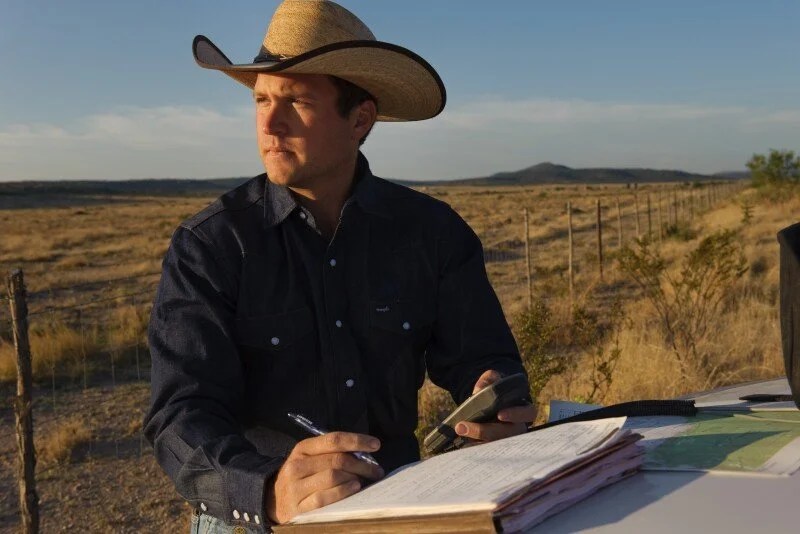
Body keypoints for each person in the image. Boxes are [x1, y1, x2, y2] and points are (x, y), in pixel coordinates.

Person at [143, 1, 535, 532]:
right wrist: (268, 490)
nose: (270, 123)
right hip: (256, 518)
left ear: (361, 119)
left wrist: (496, 399)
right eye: (261, 99)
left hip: (398, 503)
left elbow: (484, 360)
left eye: (297, 100)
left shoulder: (433, 233)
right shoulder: (210, 246)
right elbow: (181, 414)